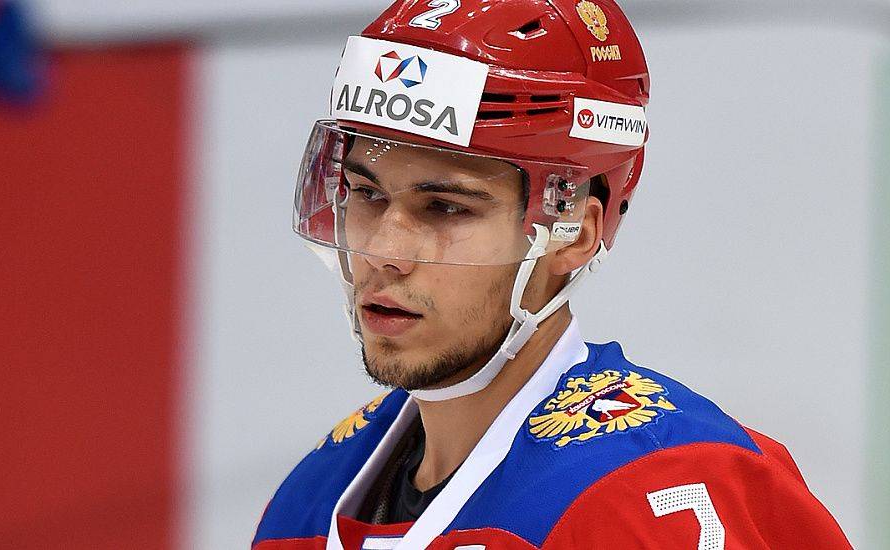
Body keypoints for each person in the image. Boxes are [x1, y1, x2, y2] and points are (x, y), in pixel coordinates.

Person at [253, 0, 851, 548]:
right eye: (366, 193)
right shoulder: (310, 500)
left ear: (573, 234)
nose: (383, 250)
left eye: (446, 208)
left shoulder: (652, 489)